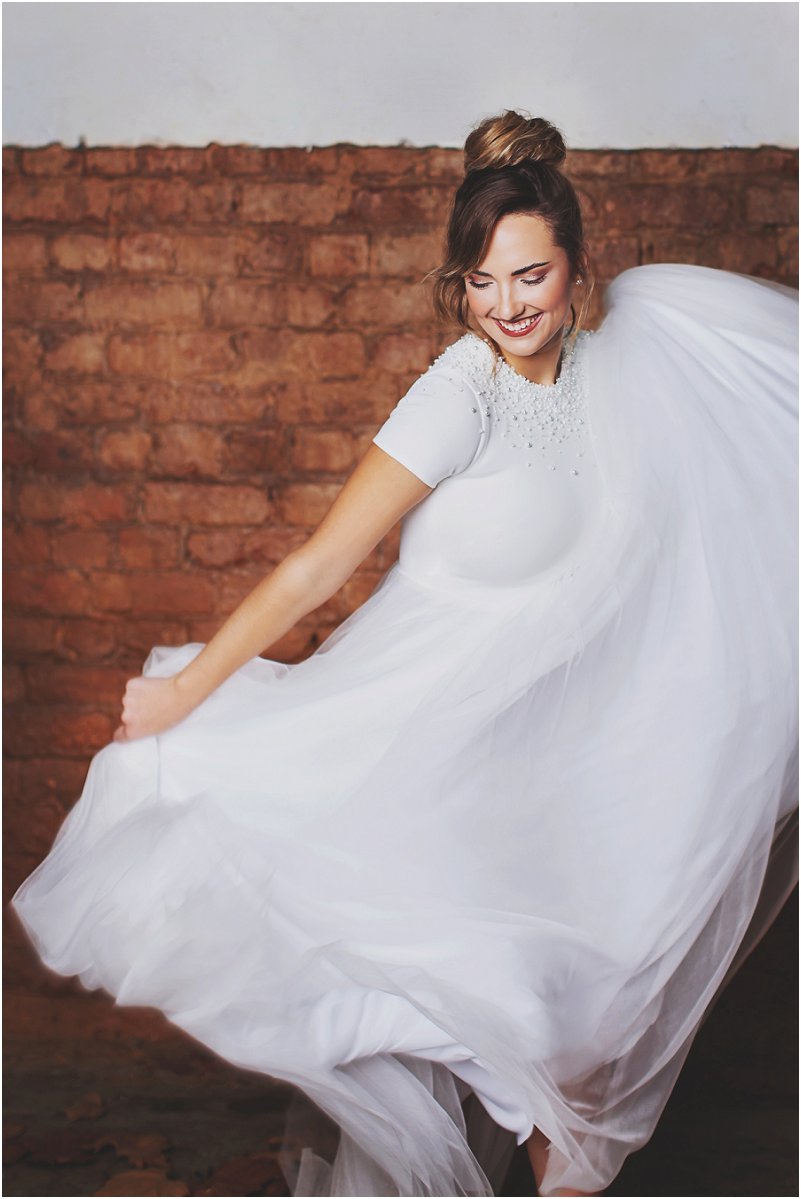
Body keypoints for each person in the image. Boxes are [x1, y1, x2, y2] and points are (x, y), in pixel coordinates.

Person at [10, 110, 798, 1198]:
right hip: (400, 757)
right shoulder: (457, 395)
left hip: (519, 772)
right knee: (514, 1021)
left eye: (531, 275)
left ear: (579, 270)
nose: (508, 304)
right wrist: (187, 690)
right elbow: (315, 567)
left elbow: (741, 448)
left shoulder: (619, 367)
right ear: (458, 286)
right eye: (481, 281)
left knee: (570, 1035)